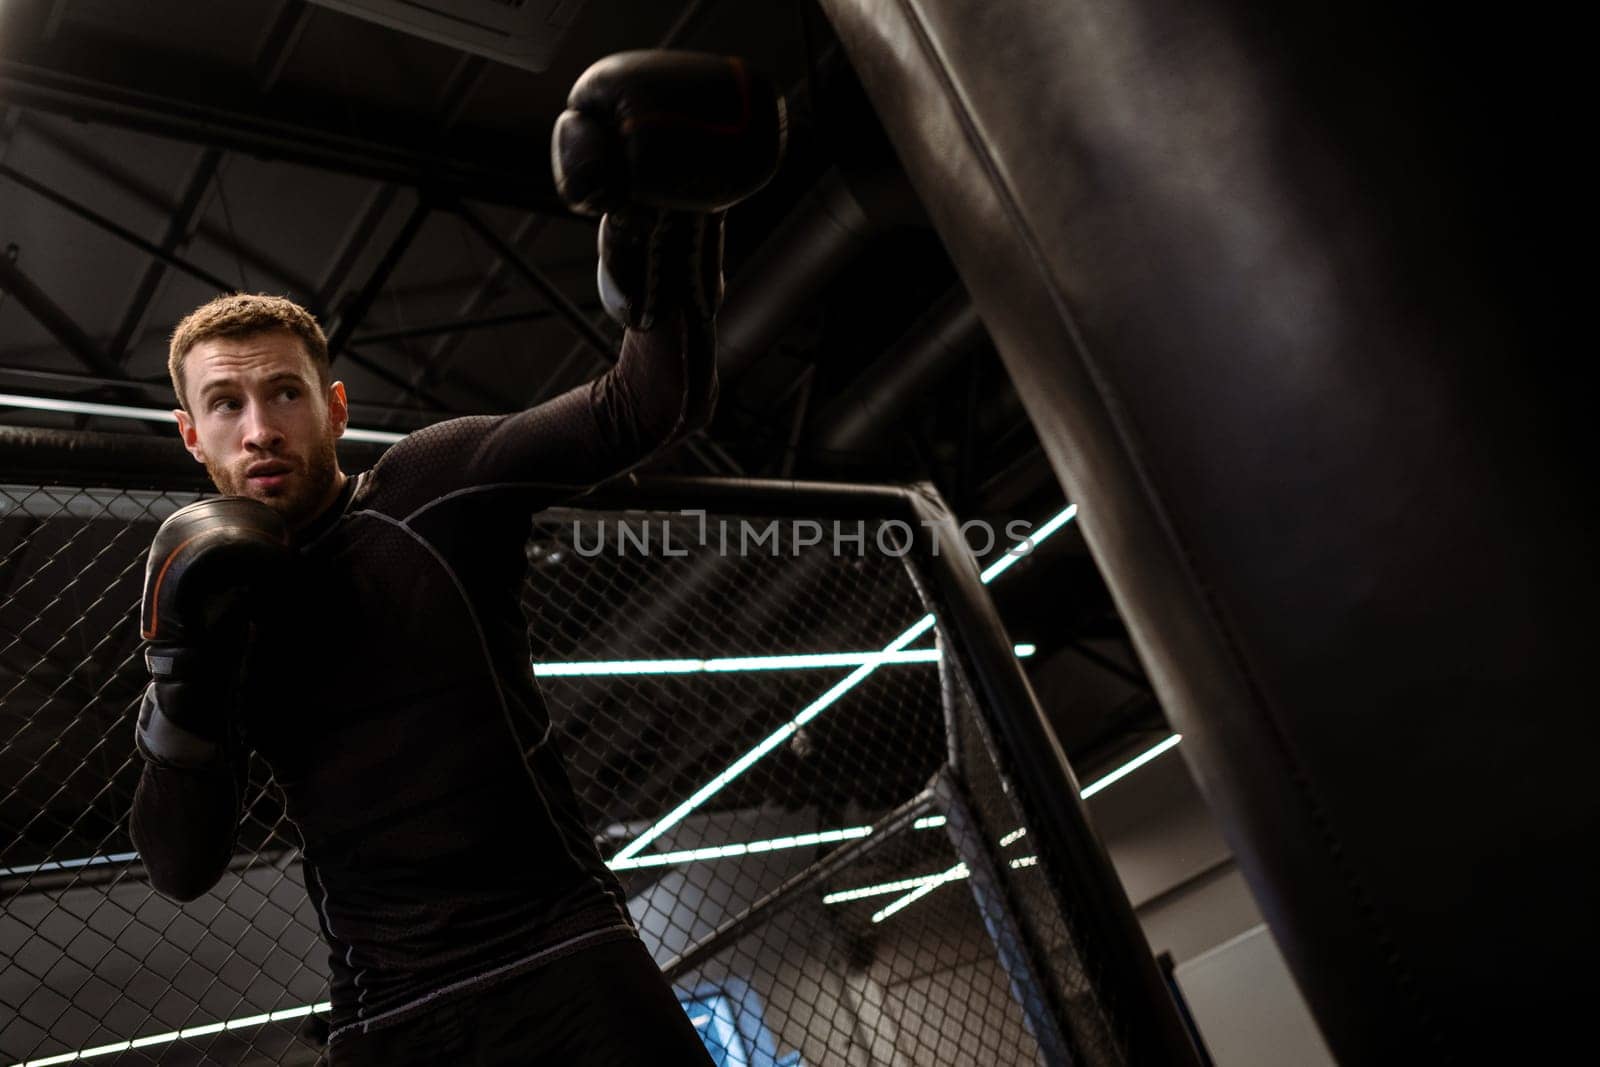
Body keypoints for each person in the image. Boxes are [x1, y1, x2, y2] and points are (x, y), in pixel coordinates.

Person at [127, 52, 784, 1065]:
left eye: (287, 394)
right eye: (227, 404)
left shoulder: (435, 483)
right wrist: (183, 684)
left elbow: (644, 403)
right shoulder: (209, 594)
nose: (261, 427)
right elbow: (178, 867)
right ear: (191, 436)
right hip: (388, 1011)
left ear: (335, 407)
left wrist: (669, 226)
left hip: (564, 952)